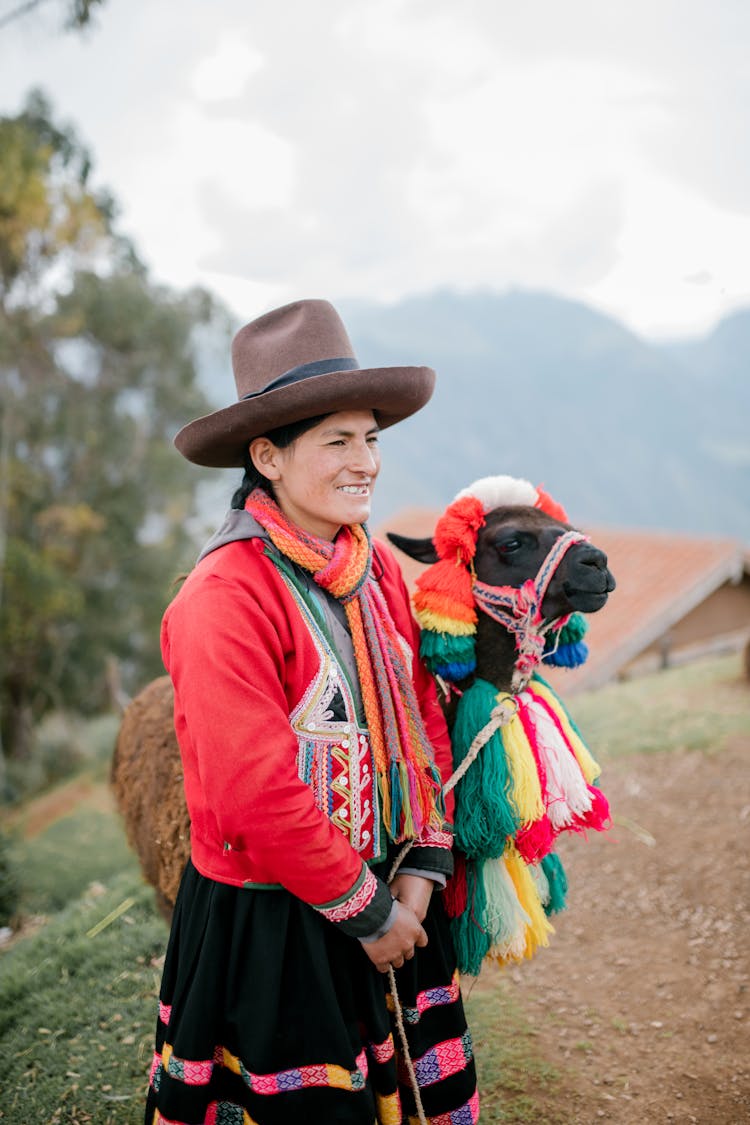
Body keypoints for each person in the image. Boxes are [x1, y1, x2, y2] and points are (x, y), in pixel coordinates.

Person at [145, 299, 479, 1125]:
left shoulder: (375, 572)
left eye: (371, 438)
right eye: (338, 440)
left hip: (389, 892)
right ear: (268, 454)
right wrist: (367, 913)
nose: (365, 461)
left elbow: (422, 719)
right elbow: (254, 791)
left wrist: (418, 870)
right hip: (276, 921)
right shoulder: (223, 598)